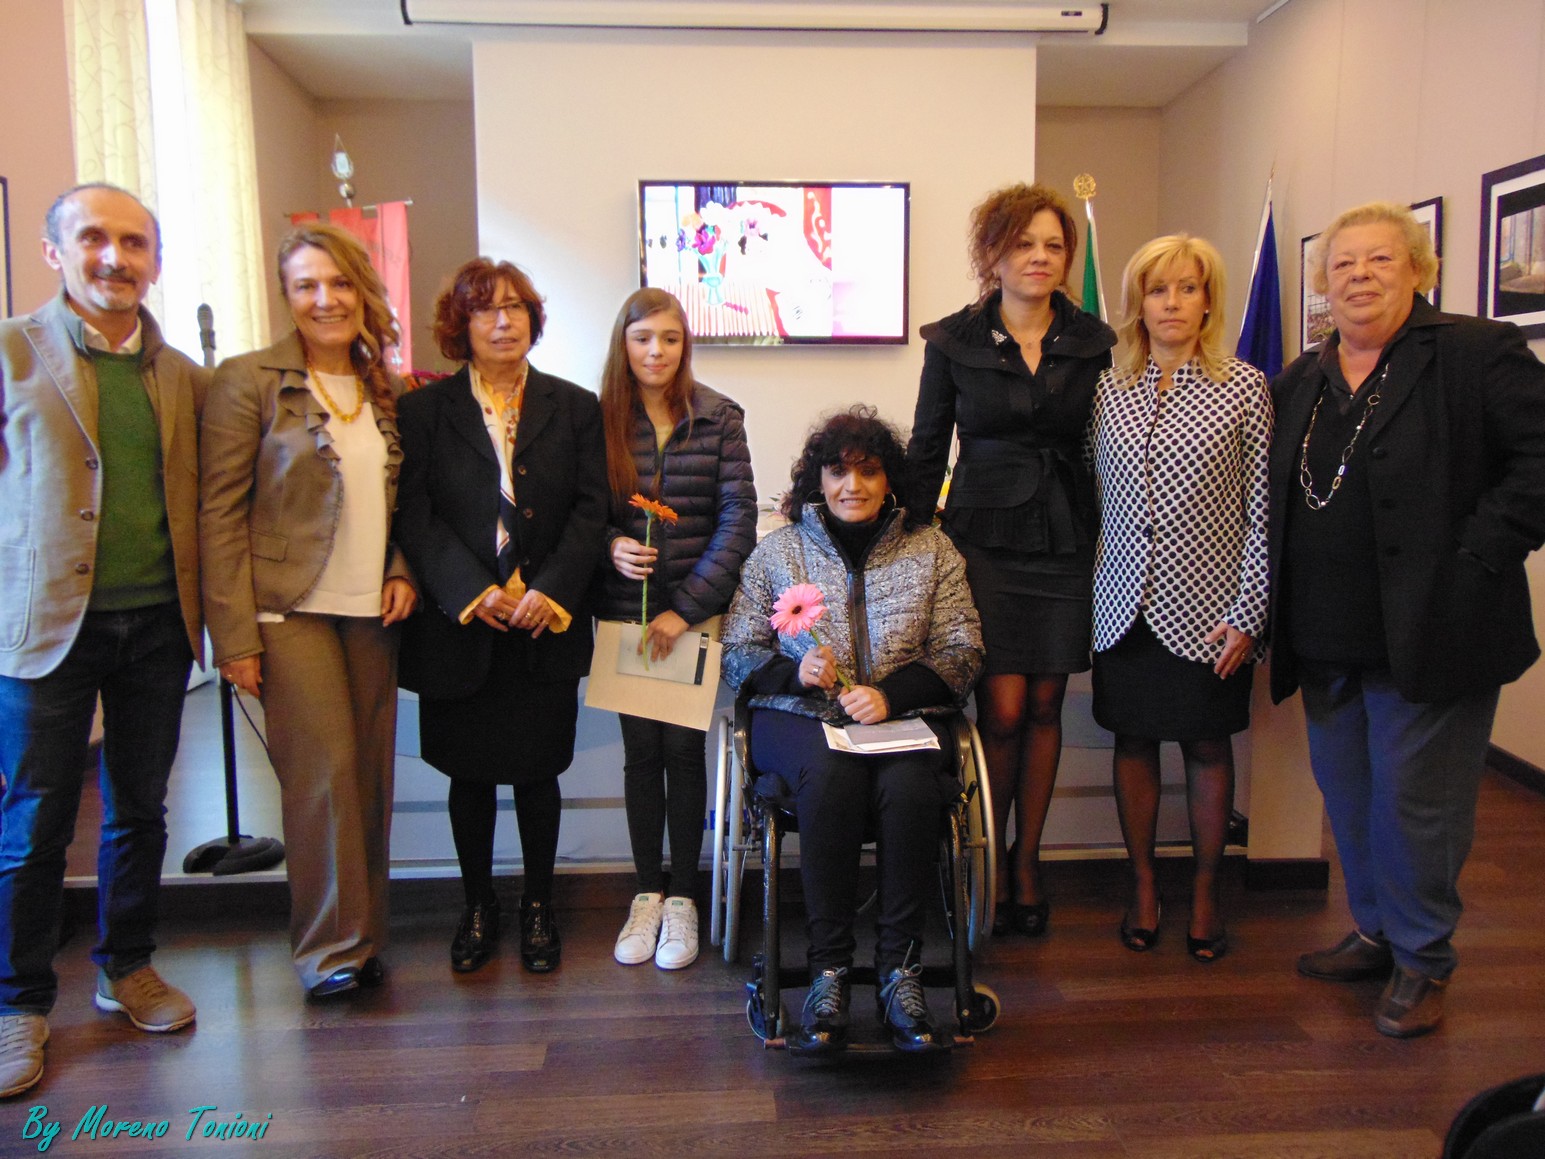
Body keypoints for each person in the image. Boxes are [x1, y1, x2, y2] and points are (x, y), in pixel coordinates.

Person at [1270, 201, 1545, 1037]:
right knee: (1349, 795)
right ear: (1323, 284)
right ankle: (1375, 930)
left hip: (1434, 628)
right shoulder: (1300, 378)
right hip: (1324, 633)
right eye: (1343, 263)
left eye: (1379, 259)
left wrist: (1476, 557)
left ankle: (1423, 956)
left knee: (1417, 804)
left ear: (1418, 270)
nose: (1358, 275)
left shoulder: (1473, 351)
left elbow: (1537, 462)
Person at [0, 184, 205, 1098]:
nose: (114, 257)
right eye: (92, 238)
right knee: (35, 820)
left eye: (133, 242)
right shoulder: (11, 351)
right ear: (55, 251)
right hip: (44, 628)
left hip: (158, 624)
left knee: (139, 807)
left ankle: (127, 966)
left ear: (154, 261)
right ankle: (17, 1002)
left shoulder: (181, 375)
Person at [722, 406, 984, 1054]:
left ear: (889, 479)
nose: (852, 486)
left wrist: (892, 695)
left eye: (868, 471)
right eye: (838, 472)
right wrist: (794, 672)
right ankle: (828, 971)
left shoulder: (931, 549)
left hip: (904, 720)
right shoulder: (778, 551)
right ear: (817, 479)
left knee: (911, 788)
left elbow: (962, 650)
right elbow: (736, 653)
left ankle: (900, 973)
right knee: (831, 775)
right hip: (799, 719)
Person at [201, 223, 417, 1001]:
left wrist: (400, 568)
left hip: (370, 612)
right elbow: (218, 514)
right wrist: (232, 636)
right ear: (286, 296)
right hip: (286, 609)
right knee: (322, 779)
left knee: (368, 779)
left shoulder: (387, 387)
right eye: (306, 286)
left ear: (361, 290)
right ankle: (329, 952)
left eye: (339, 283)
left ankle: (364, 936)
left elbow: (402, 500)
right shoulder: (247, 380)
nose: (325, 299)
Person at [906, 182, 1116, 937]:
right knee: (999, 708)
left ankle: (1028, 860)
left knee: (1046, 704)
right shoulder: (953, 340)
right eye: (1023, 244)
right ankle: (986, 857)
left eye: (1053, 245)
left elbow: (1106, 442)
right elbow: (927, 446)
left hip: (1064, 535)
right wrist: (904, 542)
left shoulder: (1092, 339)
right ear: (991, 254)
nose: (1039, 257)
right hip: (983, 539)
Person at [395, 259, 606, 976]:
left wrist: (551, 590)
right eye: (485, 309)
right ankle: (477, 904)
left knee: (539, 774)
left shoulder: (574, 406)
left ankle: (539, 904)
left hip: (543, 622)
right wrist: (470, 591)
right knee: (470, 776)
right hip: (464, 625)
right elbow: (415, 513)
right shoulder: (424, 411)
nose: (503, 321)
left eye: (515, 307)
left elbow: (591, 510)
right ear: (461, 325)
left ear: (532, 319)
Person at [1087, 235, 1271, 963]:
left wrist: (1248, 613)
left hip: (1209, 614)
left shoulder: (1244, 387)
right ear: (1138, 301)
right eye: (1158, 289)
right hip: (1122, 607)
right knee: (1132, 742)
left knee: (1206, 745)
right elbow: (1093, 496)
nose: (1171, 303)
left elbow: (1261, 512)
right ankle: (1142, 885)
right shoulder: (1108, 389)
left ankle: (1203, 890)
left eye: (1187, 288)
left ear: (1207, 300)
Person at [597, 288, 756, 970]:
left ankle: (685, 898)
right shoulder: (599, 419)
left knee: (684, 754)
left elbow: (738, 522)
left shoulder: (719, 417)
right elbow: (582, 510)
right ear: (624, 344)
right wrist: (610, 545)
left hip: (691, 615)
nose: (656, 351)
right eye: (642, 338)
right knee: (640, 757)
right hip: (622, 613)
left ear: (684, 344)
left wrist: (685, 608)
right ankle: (646, 894)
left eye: (669, 337)